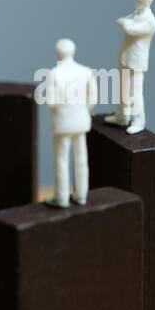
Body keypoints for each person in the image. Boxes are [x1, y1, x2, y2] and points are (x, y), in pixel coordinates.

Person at [43, 38, 96, 208]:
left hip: (62, 121)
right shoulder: (85, 71)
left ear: (58, 53)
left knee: (61, 159)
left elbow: (50, 101)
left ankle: (62, 197)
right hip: (81, 120)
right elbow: (92, 98)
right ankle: (81, 195)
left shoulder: (54, 73)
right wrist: (83, 110)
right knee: (81, 158)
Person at [104, 0, 155, 134]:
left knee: (135, 92)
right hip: (125, 56)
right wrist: (125, 22)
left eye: (139, 0)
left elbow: (131, 29)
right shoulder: (136, 13)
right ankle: (122, 116)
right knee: (122, 89)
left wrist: (125, 23)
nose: (136, 2)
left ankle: (138, 121)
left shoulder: (150, 21)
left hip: (136, 62)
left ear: (146, 3)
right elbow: (123, 21)